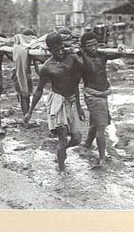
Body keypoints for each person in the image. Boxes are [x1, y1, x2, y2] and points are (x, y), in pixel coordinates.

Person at [24, 32, 85, 172]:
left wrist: (79, 107)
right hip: (57, 102)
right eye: (55, 49)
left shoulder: (71, 59)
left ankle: (60, 152)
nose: (60, 51)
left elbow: (76, 82)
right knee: (62, 138)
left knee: (77, 138)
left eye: (61, 47)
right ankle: (61, 169)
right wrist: (30, 112)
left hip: (71, 100)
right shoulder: (47, 66)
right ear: (50, 50)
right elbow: (39, 90)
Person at [77, 32, 125, 168]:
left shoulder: (102, 53)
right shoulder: (81, 58)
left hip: (103, 94)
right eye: (89, 46)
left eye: (95, 44)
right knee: (101, 126)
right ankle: (102, 158)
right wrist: (82, 53)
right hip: (92, 95)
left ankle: (86, 145)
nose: (93, 48)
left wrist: (120, 48)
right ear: (84, 47)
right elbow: (90, 68)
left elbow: (117, 54)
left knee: (96, 122)